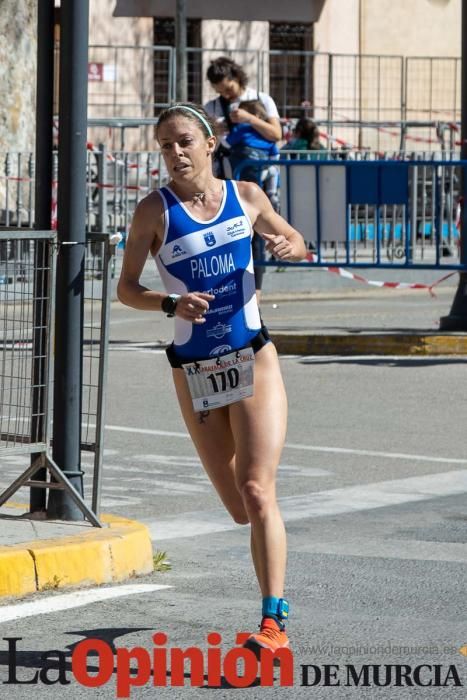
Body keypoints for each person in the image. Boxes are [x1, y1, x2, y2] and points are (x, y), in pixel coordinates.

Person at [117, 103, 306, 658]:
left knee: (257, 489)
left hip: (251, 355)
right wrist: (171, 301)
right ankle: (267, 539)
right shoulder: (154, 210)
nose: (174, 153)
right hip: (194, 368)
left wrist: (288, 245)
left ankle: (273, 622)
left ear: (208, 143)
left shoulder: (246, 197)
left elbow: (293, 238)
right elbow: (126, 288)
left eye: (183, 142)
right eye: (164, 146)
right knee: (238, 506)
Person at [204, 56, 283, 298]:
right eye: (220, 91)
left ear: (236, 78)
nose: (226, 95)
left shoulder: (261, 99)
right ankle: (229, 287)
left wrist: (249, 119)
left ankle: (256, 290)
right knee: (229, 231)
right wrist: (218, 130)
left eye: (228, 88)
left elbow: (275, 134)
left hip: (259, 178)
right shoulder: (212, 107)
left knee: (257, 229)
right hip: (225, 178)